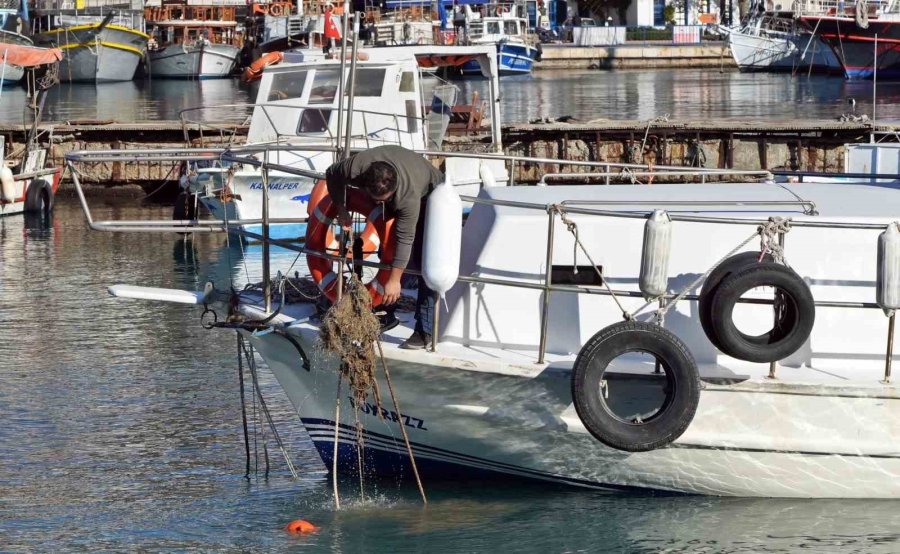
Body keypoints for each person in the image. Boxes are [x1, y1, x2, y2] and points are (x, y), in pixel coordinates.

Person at [325, 145, 443, 350]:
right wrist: (341, 207)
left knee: (424, 262)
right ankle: (386, 311)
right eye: (376, 199)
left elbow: (405, 238)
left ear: (393, 191)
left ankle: (425, 330)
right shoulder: (355, 168)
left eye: (385, 200)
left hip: (431, 195)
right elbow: (332, 173)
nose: (379, 203)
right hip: (399, 178)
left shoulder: (408, 197)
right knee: (387, 248)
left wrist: (395, 280)